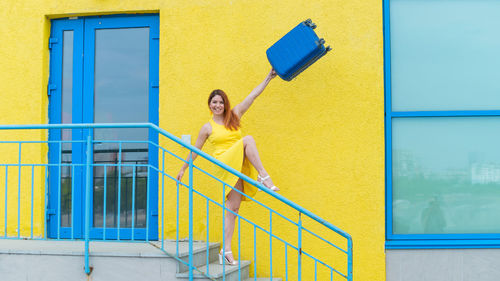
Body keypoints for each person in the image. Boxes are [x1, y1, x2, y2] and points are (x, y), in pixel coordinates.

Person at [176, 68, 279, 265]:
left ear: (225, 104)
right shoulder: (207, 127)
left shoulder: (235, 115)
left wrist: (268, 77)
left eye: (221, 102)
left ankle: (226, 250)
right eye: (214, 102)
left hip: (238, 163)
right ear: (209, 104)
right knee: (248, 139)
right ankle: (264, 177)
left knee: (232, 208)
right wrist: (183, 169)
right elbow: (195, 150)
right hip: (224, 163)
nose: (217, 105)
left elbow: (253, 96)